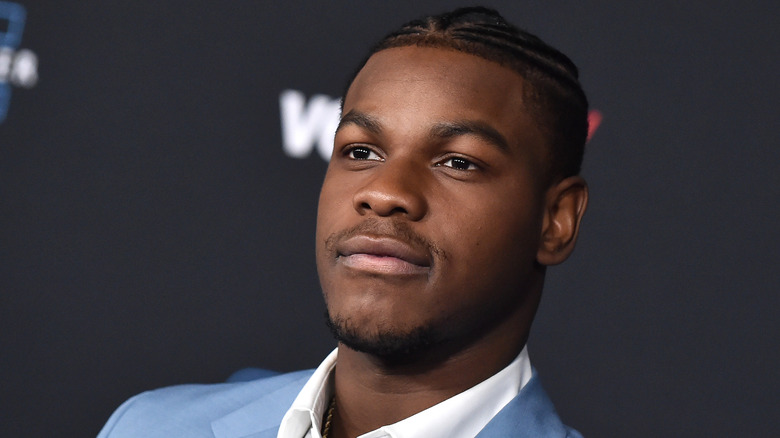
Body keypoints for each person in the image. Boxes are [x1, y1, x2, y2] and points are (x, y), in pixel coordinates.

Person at [98, 6, 589, 438]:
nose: (384, 192)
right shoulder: (148, 426)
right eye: (361, 151)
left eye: (458, 162)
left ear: (556, 221)